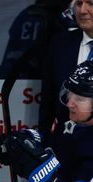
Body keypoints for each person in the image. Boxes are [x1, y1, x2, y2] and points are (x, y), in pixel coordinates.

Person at [40, 0, 93, 135]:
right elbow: (48, 101)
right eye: (79, 4)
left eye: (91, 4)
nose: (82, 10)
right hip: (66, 145)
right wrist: (46, 139)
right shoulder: (59, 45)